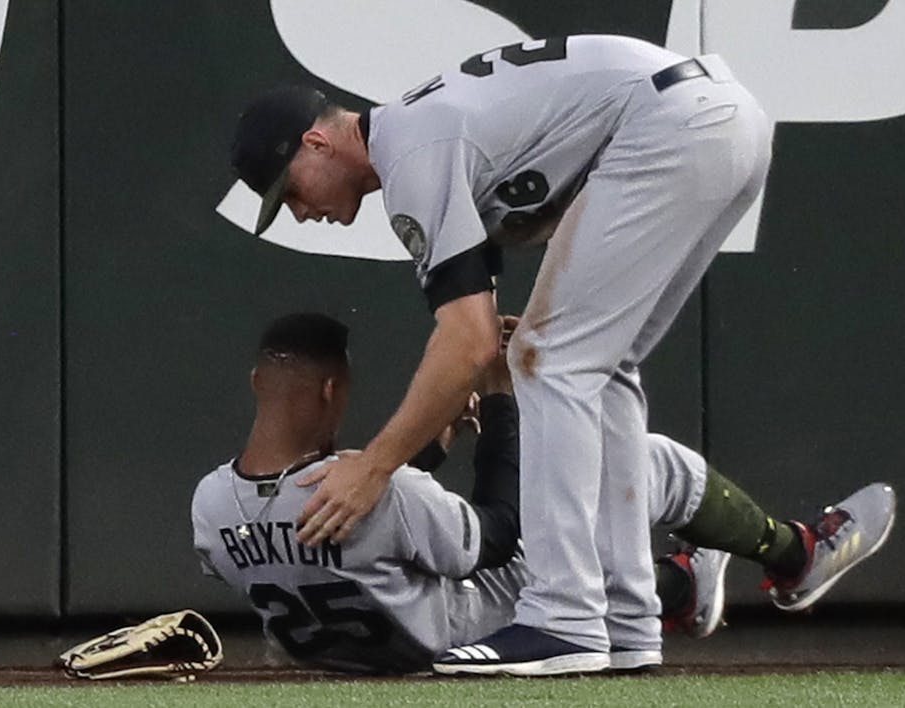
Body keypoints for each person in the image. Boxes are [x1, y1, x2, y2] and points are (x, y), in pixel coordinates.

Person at [229, 34, 775, 674]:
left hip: (670, 127)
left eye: (288, 192)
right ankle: (628, 619)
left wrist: (374, 467)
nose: (297, 212)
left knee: (552, 363)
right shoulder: (418, 138)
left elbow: (468, 342)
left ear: (316, 144)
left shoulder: (412, 155)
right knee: (595, 367)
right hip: (717, 119)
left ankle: (562, 617)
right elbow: (478, 330)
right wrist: (484, 356)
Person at [190, 313, 895, 674]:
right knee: (639, 463)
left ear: (256, 383)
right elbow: (494, 534)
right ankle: (796, 556)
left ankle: (678, 589)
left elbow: (366, 533)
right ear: (331, 390)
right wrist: (500, 403)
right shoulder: (365, 482)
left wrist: (431, 447)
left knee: (590, 527)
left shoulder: (211, 505)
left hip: (357, 656)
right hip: (478, 629)